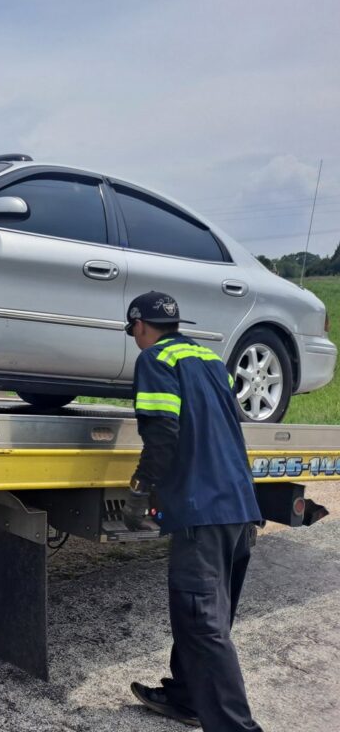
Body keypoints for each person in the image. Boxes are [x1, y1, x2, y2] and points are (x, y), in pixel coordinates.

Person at [121, 291, 263, 731]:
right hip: (239, 506)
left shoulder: (156, 361)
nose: (134, 338)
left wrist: (142, 488)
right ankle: (187, 697)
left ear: (140, 325)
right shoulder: (209, 359)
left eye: (132, 331)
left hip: (204, 510)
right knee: (204, 615)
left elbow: (164, 430)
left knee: (203, 625)